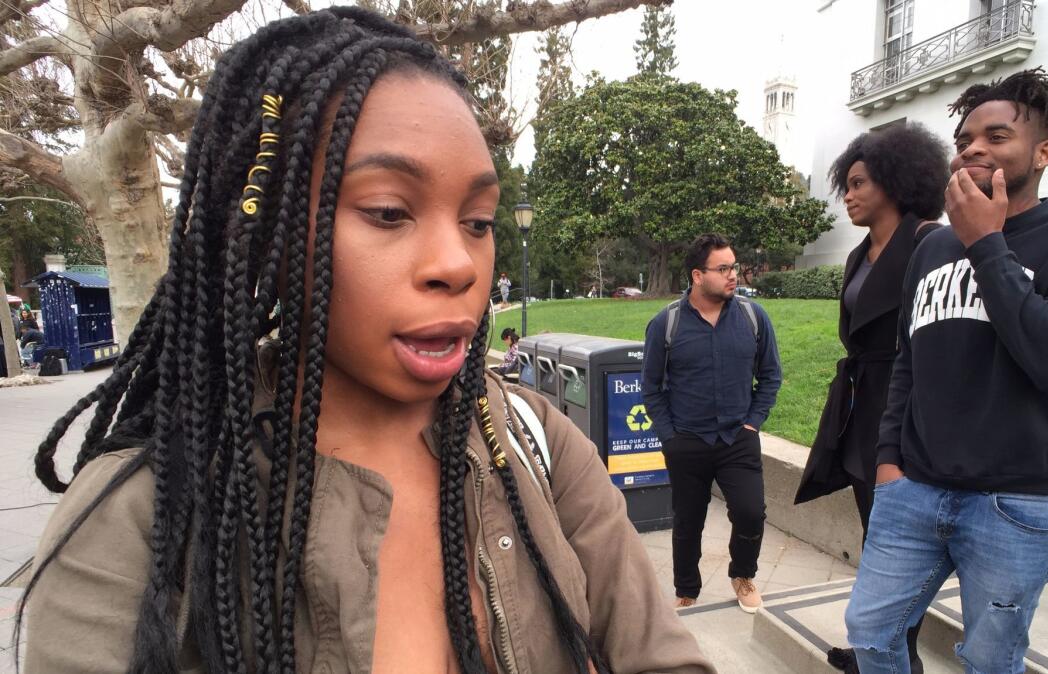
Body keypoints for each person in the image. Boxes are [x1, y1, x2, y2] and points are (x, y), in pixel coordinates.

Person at [19, 9, 714, 673]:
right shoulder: (139, 516)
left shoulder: (540, 444)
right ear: (276, 234)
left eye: (478, 220)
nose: (457, 264)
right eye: (388, 211)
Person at [844, 68, 1048, 674]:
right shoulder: (930, 246)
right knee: (870, 634)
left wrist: (987, 243)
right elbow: (909, 362)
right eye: (965, 139)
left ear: (1045, 151)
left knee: (989, 658)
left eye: (997, 136)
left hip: (1016, 503)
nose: (973, 147)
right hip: (914, 490)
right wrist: (889, 461)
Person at [794, 121, 949, 674]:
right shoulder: (861, 255)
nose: (849, 195)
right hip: (862, 411)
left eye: (859, 183)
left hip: (908, 409)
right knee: (876, 539)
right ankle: (875, 647)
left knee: (904, 552)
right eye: (847, 185)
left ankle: (897, 657)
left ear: (896, 180)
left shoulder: (931, 243)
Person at [642, 233, 783, 613]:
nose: (732, 275)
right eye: (722, 269)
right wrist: (669, 436)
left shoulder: (753, 317)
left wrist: (753, 423)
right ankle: (687, 588)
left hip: (738, 438)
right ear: (697, 276)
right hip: (686, 439)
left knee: (751, 512)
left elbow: (771, 376)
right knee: (688, 521)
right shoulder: (666, 324)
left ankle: (743, 573)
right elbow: (651, 387)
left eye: (733, 266)